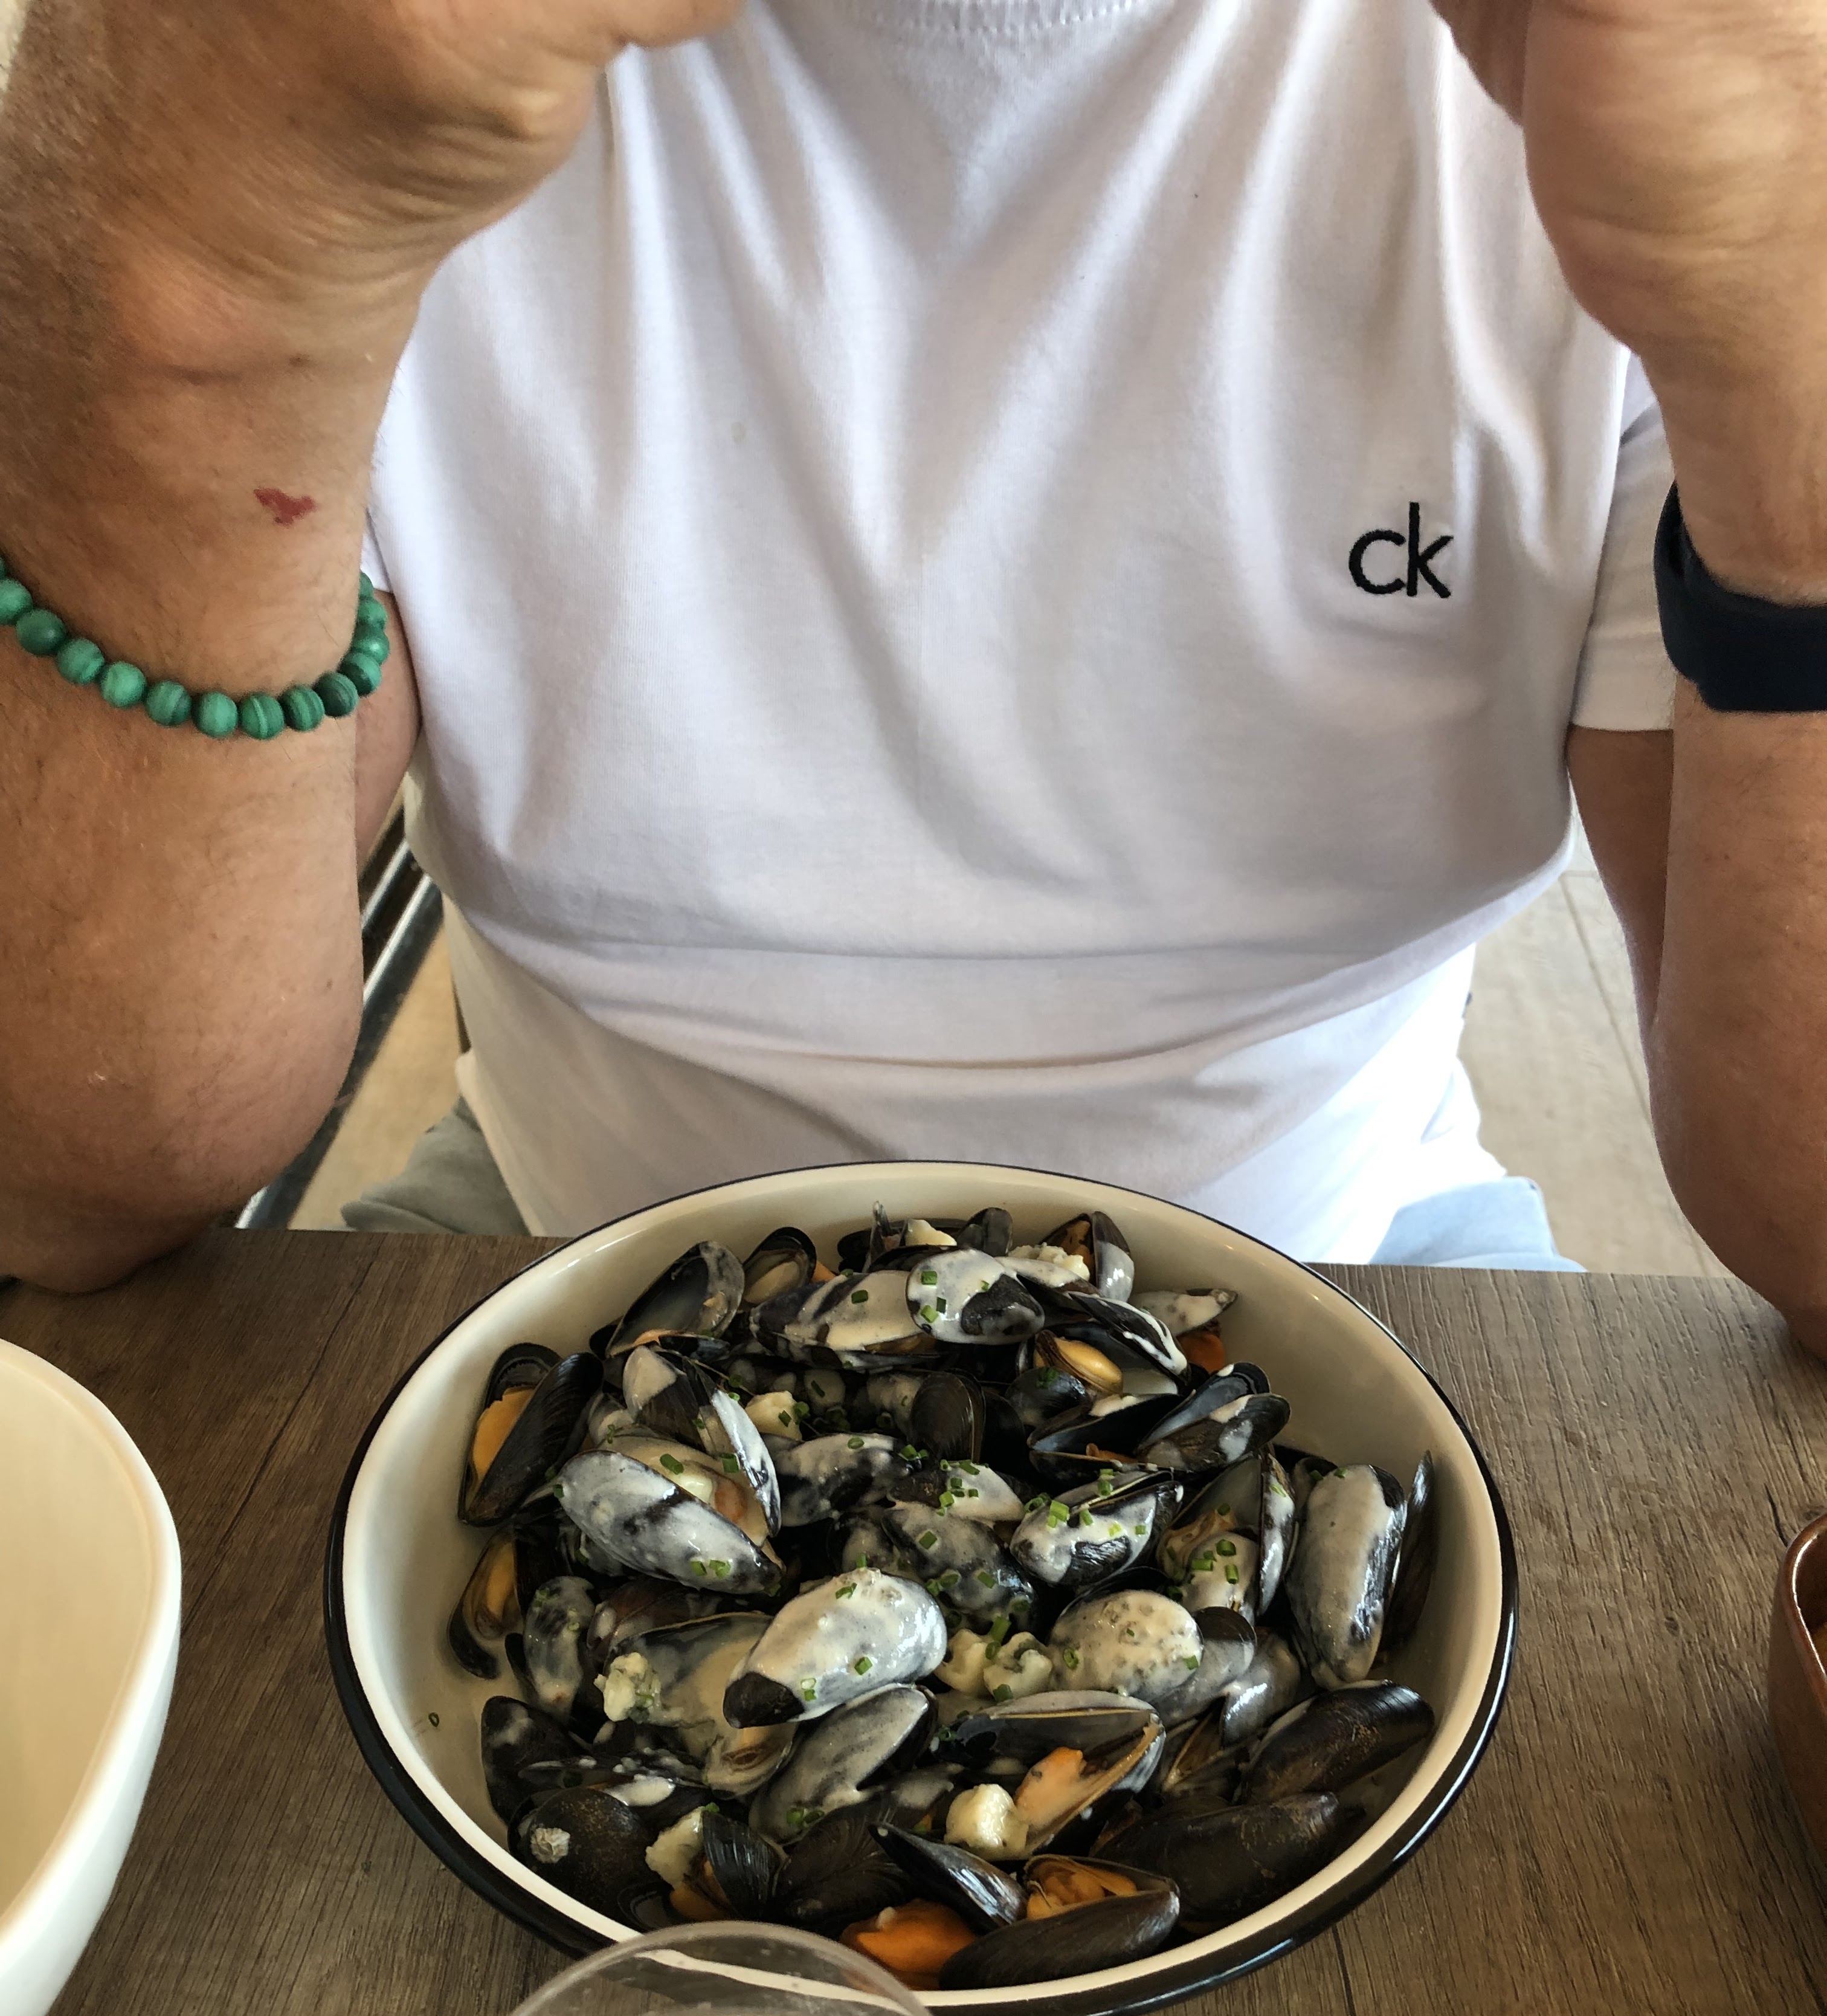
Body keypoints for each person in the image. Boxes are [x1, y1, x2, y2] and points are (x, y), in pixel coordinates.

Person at [0, 1, 1823, 1330]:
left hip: (1354, 1243)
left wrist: (1789, 354)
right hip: (560, 1241)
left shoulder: (1625, 92)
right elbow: (62, 1189)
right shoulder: (350, 78)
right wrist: (198, 290)